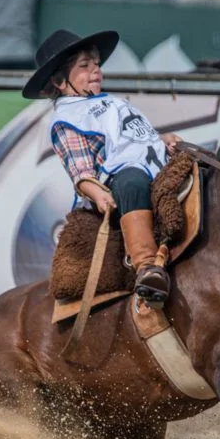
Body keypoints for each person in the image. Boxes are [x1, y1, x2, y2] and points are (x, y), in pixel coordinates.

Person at [21, 29, 183, 305]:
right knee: (132, 181)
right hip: (118, 179)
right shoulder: (67, 119)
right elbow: (80, 170)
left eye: (96, 64)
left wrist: (162, 140)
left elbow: (134, 138)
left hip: (155, 165)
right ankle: (145, 265)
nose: (95, 69)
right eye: (84, 66)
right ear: (60, 81)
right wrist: (96, 193)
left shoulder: (112, 102)